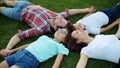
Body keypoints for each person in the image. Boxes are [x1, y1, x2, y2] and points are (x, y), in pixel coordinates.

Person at [0, 0, 95, 56]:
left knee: (1, 9)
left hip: (19, 14)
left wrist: (8, 49)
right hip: (28, 4)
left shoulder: (41, 28)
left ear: (55, 27)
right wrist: (86, 10)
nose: (60, 17)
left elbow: (20, 35)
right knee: (10, 1)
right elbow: (69, 12)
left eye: (61, 21)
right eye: (62, 18)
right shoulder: (57, 16)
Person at [0, 22, 75, 68]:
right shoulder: (44, 37)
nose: (59, 31)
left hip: (30, 60)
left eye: (63, 32)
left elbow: (57, 63)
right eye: (60, 29)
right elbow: (29, 45)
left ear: (65, 40)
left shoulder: (60, 47)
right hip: (20, 53)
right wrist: (11, 51)